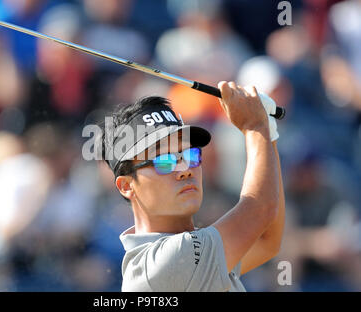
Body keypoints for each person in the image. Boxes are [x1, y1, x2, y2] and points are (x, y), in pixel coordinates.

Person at [99, 82, 285, 291]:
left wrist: (268, 133)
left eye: (189, 155)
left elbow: (266, 239)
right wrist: (256, 126)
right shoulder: (167, 263)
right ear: (126, 186)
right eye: (164, 161)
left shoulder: (187, 254)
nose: (185, 169)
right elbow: (261, 209)